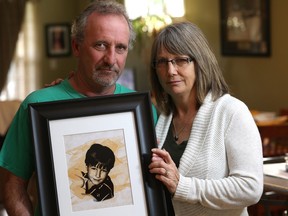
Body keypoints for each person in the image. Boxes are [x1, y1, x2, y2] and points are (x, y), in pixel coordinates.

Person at [0, 1, 157, 215]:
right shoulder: (38, 106)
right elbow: (12, 186)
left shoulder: (143, 112)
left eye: (120, 47)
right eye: (100, 45)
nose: (111, 59)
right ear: (76, 46)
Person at [148, 21, 263, 216]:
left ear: (200, 61)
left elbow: (250, 188)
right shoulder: (161, 118)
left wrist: (183, 186)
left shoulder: (232, 112)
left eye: (181, 60)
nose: (171, 70)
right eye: (162, 61)